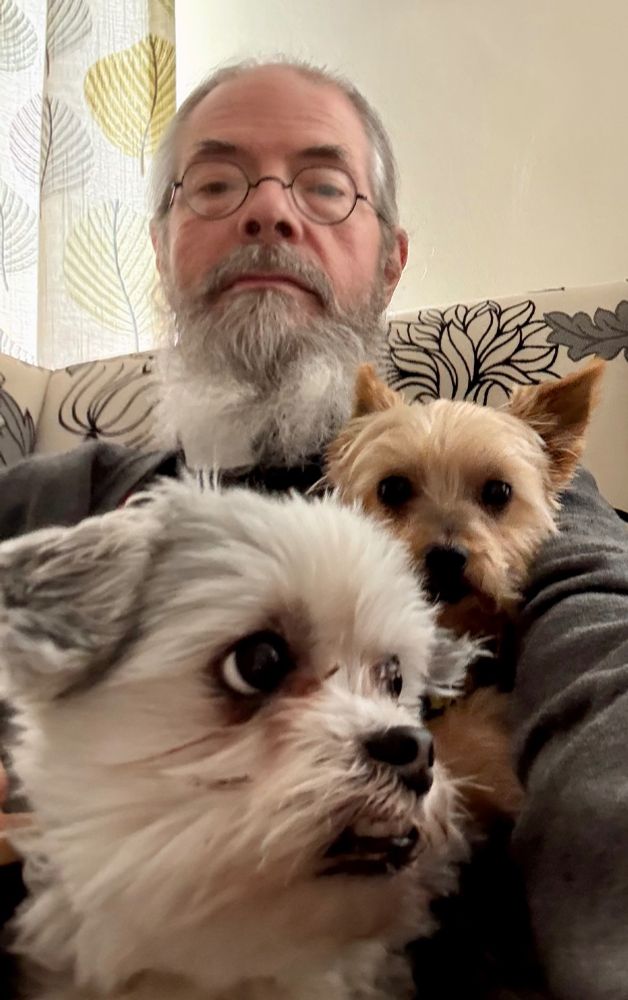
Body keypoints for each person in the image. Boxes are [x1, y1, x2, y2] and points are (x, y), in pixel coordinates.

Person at [0, 58, 627, 1000]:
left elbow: (607, 658)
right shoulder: (56, 494)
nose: (269, 212)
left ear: (391, 260)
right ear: (163, 239)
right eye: (215, 183)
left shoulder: (537, 510)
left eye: (324, 187)